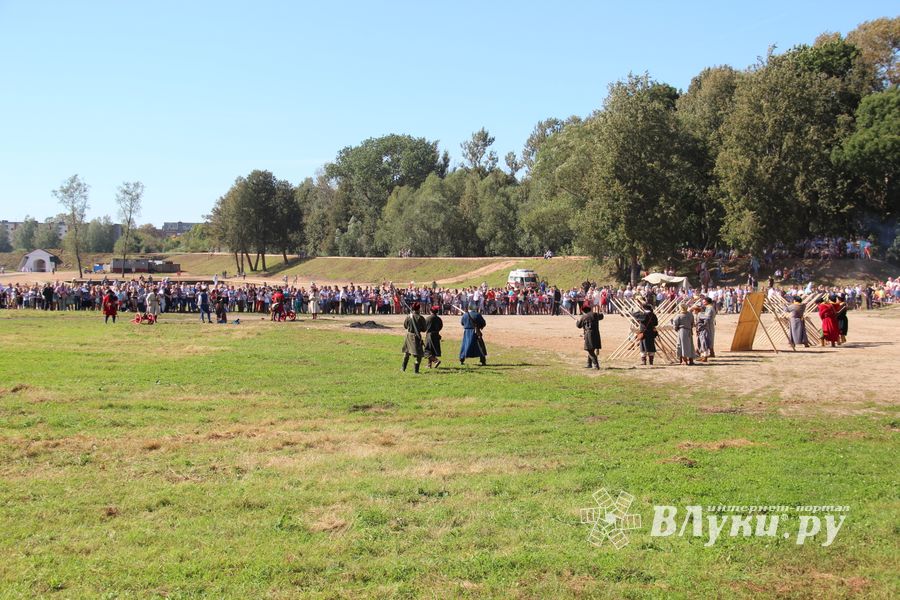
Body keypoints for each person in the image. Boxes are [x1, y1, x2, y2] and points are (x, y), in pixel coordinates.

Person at [576, 304, 603, 369]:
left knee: (589, 350)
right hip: (596, 333)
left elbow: (579, 326)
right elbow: (602, 316)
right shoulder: (595, 314)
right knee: (591, 349)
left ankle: (596, 365)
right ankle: (589, 364)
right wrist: (600, 311)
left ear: (583, 311)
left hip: (589, 334)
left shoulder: (584, 317)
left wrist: (577, 322)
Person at [401, 302, 426, 373]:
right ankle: (416, 371)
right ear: (419, 309)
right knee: (419, 355)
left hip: (408, 336)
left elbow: (405, 326)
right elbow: (424, 329)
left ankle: (403, 368)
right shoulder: (420, 318)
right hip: (416, 337)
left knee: (406, 353)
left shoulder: (409, 316)